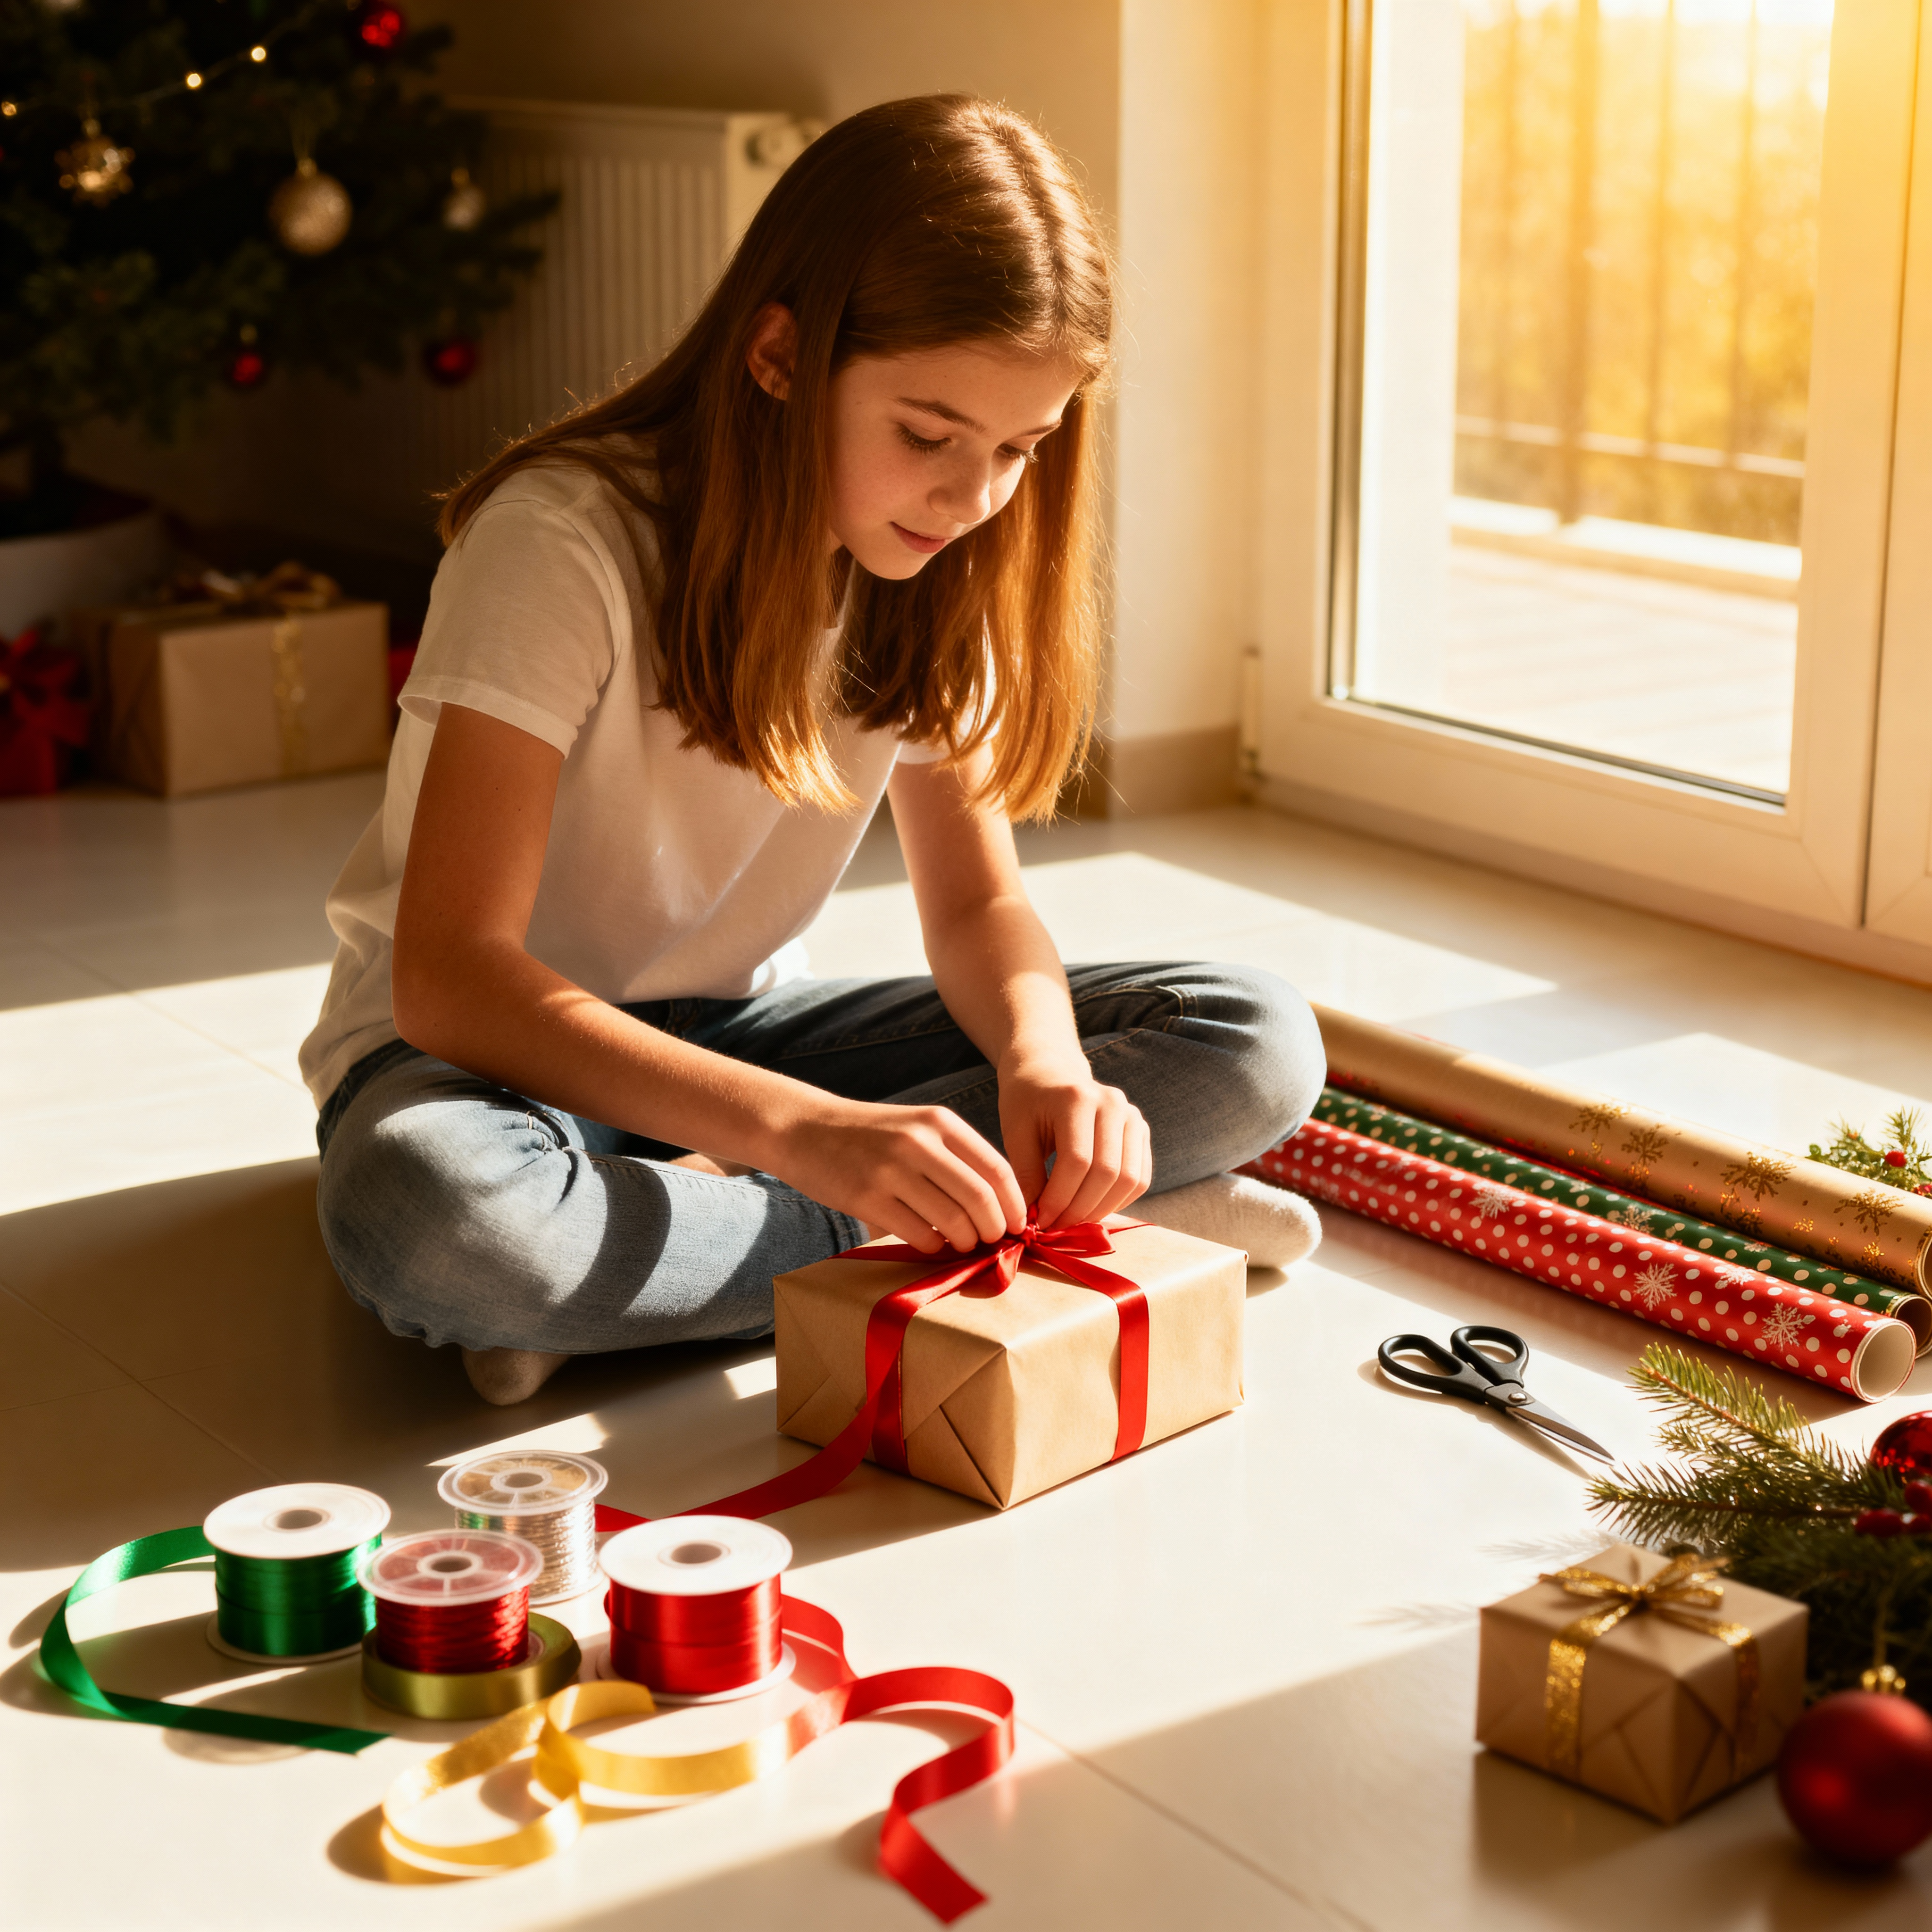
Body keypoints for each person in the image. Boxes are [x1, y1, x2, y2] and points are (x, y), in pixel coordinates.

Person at [300, 94, 1324, 1407]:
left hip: (733, 1038)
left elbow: (979, 900)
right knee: (445, 1226)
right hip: (478, 1065)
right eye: (927, 435)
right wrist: (805, 1134)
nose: (972, 499)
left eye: (1020, 450)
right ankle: (1045, 1236)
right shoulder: (561, 542)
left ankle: (658, 1271)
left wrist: (1045, 1068)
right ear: (780, 355)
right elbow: (452, 978)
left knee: (1259, 1037)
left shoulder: (928, 567)